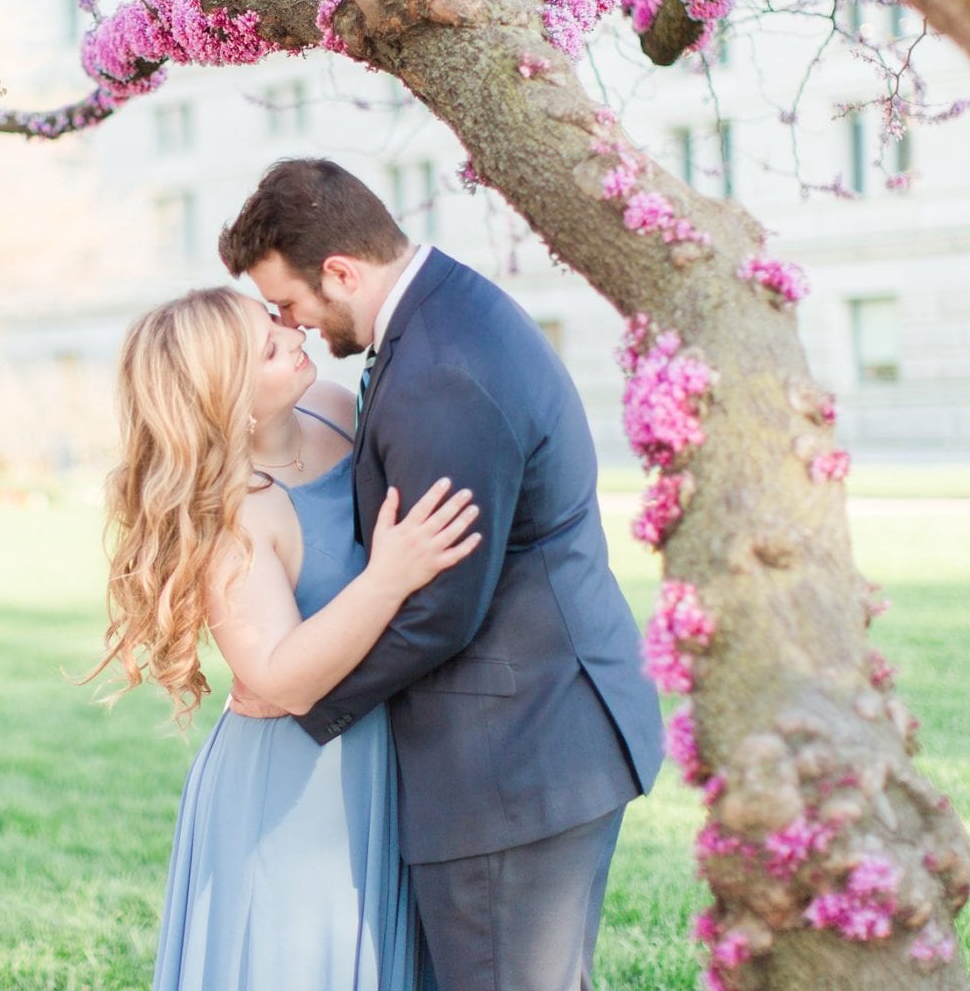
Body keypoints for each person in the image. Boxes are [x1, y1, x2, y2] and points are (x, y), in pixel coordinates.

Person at [217, 158, 666, 991]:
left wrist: (298, 693)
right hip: (545, 726)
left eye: (290, 305)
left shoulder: (439, 373)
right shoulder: (443, 310)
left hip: (517, 753)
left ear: (342, 271)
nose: (294, 325)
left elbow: (440, 608)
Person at [93, 287, 478, 991]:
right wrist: (387, 577)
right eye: (269, 347)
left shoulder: (332, 406)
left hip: (381, 746)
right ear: (229, 399)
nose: (293, 334)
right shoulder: (234, 513)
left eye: (274, 320)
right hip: (294, 783)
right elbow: (279, 678)